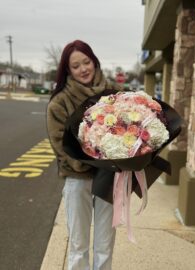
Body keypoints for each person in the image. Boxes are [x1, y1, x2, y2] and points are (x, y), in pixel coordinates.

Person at [46, 40, 123, 270]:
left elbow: (128, 132)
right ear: (68, 71)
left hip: (108, 178)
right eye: (76, 66)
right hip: (77, 179)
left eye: (86, 62)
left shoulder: (114, 94)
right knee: (78, 247)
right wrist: (87, 163)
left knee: (105, 245)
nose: (83, 69)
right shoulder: (59, 102)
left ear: (94, 61)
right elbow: (60, 144)